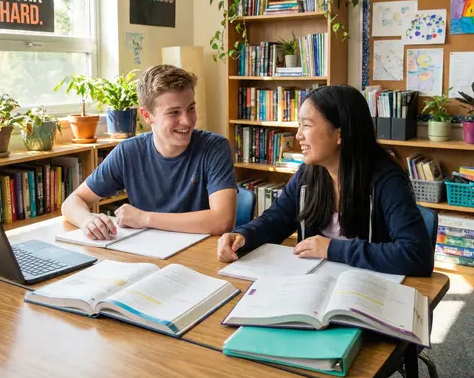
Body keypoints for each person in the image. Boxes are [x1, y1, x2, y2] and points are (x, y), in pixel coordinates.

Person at [218, 85, 433, 276]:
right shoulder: (308, 173)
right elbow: (275, 220)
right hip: (315, 283)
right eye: (299, 125)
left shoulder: (387, 180)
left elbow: (416, 255)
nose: (298, 135)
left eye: (307, 126)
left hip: (369, 288)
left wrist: (332, 249)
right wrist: (242, 235)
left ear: (339, 134)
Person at [63, 64, 237, 240]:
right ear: (147, 115)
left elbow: (222, 221)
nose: (187, 120)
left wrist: (145, 218)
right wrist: (87, 221)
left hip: (200, 253)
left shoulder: (215, 147)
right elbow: (72, 201)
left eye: (191, 108)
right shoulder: (128, 151)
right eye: (174, 112)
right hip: (147, 251)